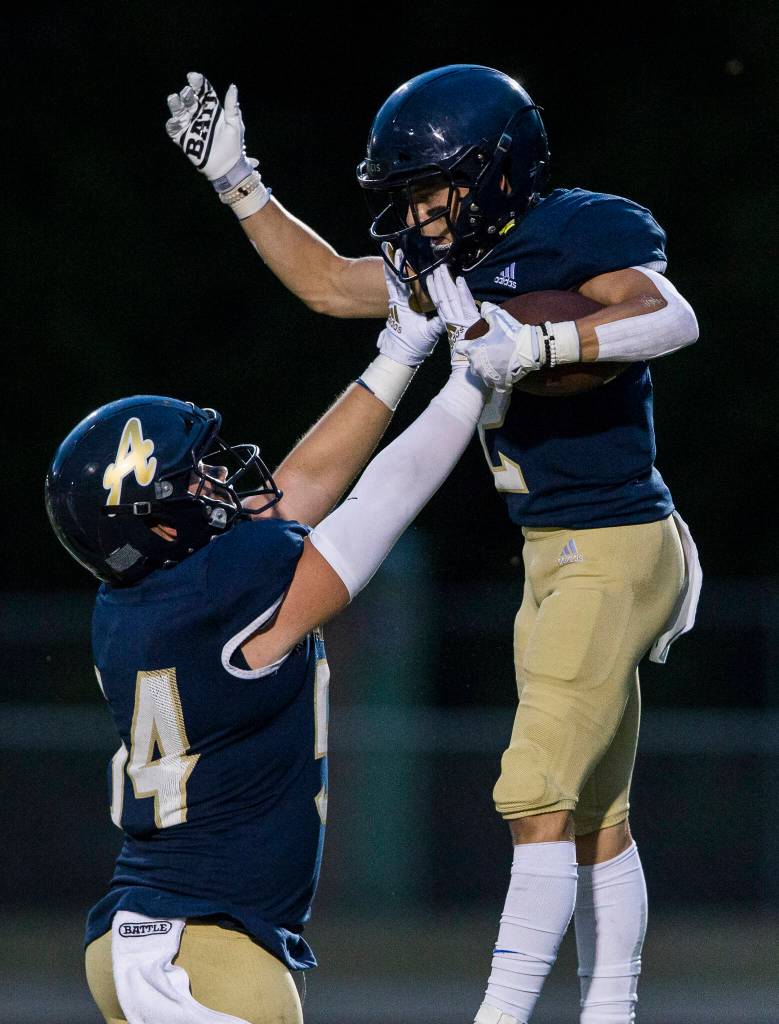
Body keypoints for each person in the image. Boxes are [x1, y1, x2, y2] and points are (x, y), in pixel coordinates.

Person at [165, 65, 703, 1024]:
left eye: (430, 186)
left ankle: (499, 1014)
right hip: (554, 547)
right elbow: (331, 286)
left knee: (532, 786)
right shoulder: (455, 259)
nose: (417, 210)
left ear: (496, 171)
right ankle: (610, 1010)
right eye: (407, 191)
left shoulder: (575, 230)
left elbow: (668, 316)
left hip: (611, 542)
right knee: (593, 822)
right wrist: (239, 182)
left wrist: (540, 346)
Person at [45, 266, 492, 1024]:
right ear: (159, 524)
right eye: (197, 478)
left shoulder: (131, 601)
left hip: (133, 934)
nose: (221, 480)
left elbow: (302, 487)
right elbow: (376, 507)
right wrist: (472, 381)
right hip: (212, 953)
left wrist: (400, 351)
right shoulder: (226, 585)